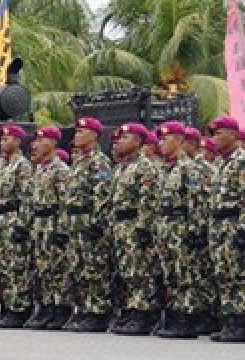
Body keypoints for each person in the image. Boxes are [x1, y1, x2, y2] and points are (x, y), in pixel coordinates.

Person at [207, 116, 245, 343]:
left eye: (219, 133)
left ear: (233, 135)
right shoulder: (222, 162)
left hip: (235, 225)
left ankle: (243, 323)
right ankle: (230, 321)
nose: (215, 138)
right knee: (225, 274)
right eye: (213, 134)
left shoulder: (244, 161)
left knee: (242, 275)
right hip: (221, 226)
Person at [154, 120, 215, 339]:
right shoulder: (164, 168)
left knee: (186, 274)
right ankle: (176, 313)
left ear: (179, 141)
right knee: (171, 274)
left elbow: (196, 201)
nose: (161, 143)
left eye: (166, 139)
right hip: (166, 228)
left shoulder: (187, 168)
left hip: (182, 228)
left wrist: (195, 231)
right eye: (159, 139)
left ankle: (188, 318)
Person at [107, 122, 162, 336]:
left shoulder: (144, 166)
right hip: (122, 226)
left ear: (138, 142)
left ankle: (144, 313)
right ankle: (132, 309)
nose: (119, 141)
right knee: (127, 270)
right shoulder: (122, 167)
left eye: (125, 138)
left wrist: (144, 227)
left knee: (141, 270)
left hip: (135, 225)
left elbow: (149, 200)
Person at [62, 116, 114, 332]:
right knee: (78, 267)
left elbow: (102, 195)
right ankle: (83, 309)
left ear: (94, 136)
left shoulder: (99, 162)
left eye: (82, 132)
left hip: (89, 222)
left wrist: (97, 223)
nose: (77, 136)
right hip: (75, 222)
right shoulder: (79, 162)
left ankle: (98, 311)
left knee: (94, 267)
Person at [24, 127, 72, 330]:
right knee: (44, 268)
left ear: (53, 144)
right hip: (39, 223)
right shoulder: (39, 170)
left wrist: (62, 229)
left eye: (41, 141)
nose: (35, 145)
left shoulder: (60, 170)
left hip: (53, 222)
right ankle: (48, 306)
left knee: (57, 267)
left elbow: (64, 202)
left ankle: (61, 308)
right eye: (35, 141)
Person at [0, 124, 35, 328]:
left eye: (7, 139)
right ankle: (8, 305)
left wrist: (22, 225)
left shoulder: (22, 165)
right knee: (3, 266)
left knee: (17, 266)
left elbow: (26, 198)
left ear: (18, 141)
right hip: (0, 219)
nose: (2, 142)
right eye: (1, 139)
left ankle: (20, 308)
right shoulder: (2, 165)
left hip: (14, 218)